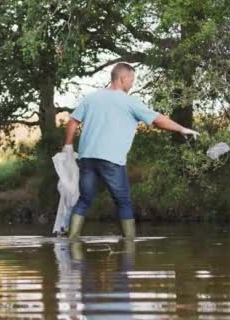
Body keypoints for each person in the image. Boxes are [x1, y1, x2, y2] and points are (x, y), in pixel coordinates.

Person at [63, 62, 200, 239]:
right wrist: (182, 129)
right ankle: (129, 244)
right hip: (111, 160)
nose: (132, 84)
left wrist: (68, 145)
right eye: (132, 80)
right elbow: (158, 120)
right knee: (123, 202)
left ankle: (72, 239)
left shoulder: (91, 98)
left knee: (84, 199)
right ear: (122, 78)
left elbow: (73, 121)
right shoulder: (129, 102)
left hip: (87, 158)